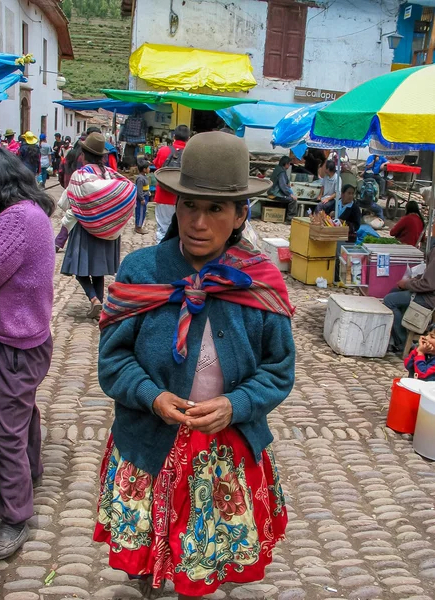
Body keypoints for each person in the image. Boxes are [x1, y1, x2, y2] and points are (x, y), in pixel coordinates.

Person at [94, 131, 295, 597]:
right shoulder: (141, 272)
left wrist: (236, 403)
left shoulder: (257, 282)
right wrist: (154, 396)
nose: (198, 222)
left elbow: (278, 370)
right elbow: (114, 359)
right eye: (189, 206)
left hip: (221, 453)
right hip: (147, 445)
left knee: (204, 565)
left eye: (215, 209)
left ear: (241, 214)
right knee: (143, 561)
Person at [0, 146, 55, 560]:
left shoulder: (16, 218)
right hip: (21, 337)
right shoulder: (30, 212)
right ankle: (31, 470)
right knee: (20, 411)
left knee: (5, 431)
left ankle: (14, 516)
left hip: (14, 341)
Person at [60, 133, 133, 318]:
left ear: (83, 154)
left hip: (85, 229)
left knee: (79, 269)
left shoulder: (80, 175)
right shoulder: (109, 173)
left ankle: (94, 299)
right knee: (98, 270)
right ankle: (99, 304)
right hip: (105, 228)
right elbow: (126, 188)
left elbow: (65, 202)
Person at [384, 248, 435, 353]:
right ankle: (393, 339)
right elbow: (427, 276)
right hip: (428, 293)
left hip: (429, 298)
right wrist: (412, 280)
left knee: (389, 300)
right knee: (394, 292)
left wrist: (407, 284)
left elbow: (428, 284)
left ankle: (403, 343)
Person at [153, 124, 190, 244]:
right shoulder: (190, 153)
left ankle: (160, 254)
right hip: (184, 197)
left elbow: (157, 168)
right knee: (181, 230)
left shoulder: (163, 151)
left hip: (163, 196)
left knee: (162, 229)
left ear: (173, 136)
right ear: (188, 138)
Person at [269, 155, 298, 223]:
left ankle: (284, 217)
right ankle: (290, 219)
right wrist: (290, 194)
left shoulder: (278, 168)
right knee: (292, 200)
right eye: (289, 164)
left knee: (289, 198)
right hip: (275, 193)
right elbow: (283, 186)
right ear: (286, 164)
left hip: (272, 191)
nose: (289, 165)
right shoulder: (281, 172)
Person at [135, 159, 150, 234]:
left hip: (145, 196)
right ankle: (138, 227)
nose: (149, 169)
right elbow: (139, 190)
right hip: (142, 198)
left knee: (143, 212)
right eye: (148, 168)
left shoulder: (144, 176)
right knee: (140, 212)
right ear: (144, 169)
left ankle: (139, 225)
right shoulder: (140, 178)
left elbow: (145, 187)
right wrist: (141, 198)